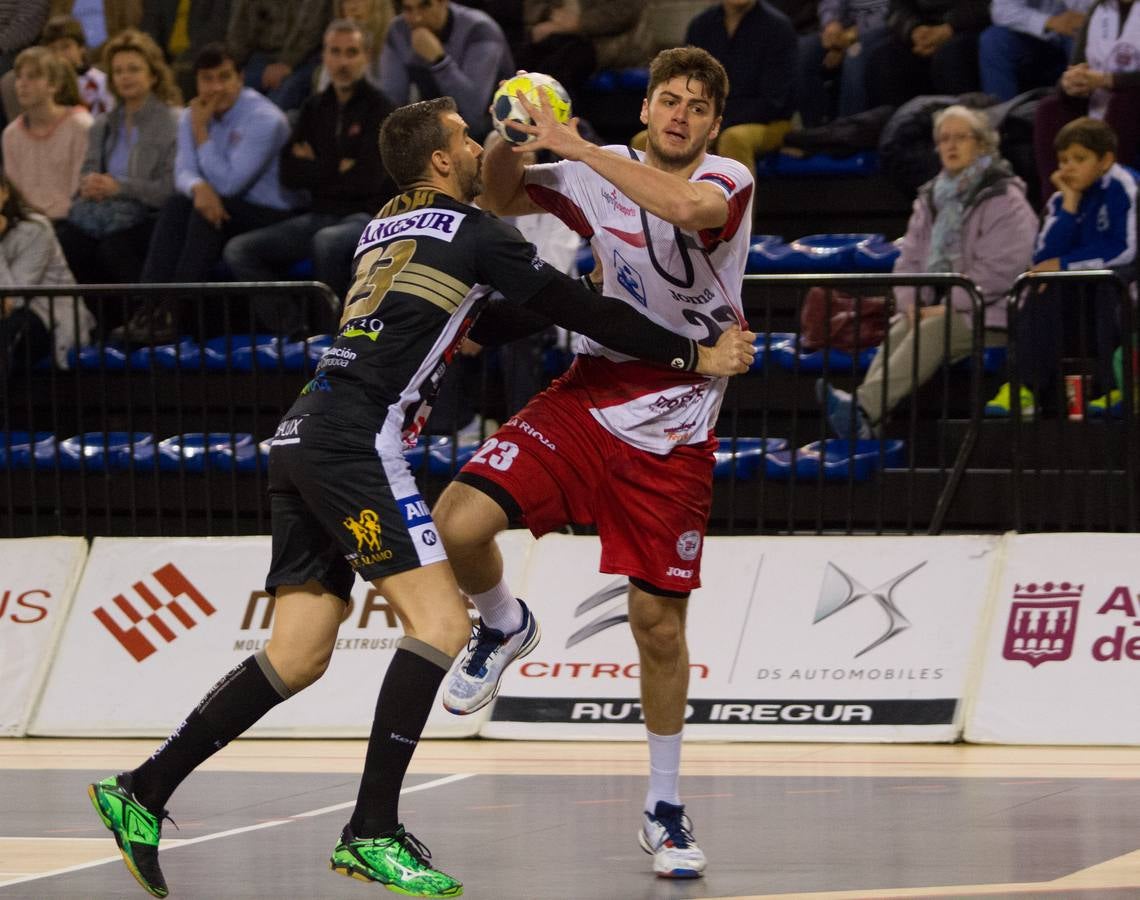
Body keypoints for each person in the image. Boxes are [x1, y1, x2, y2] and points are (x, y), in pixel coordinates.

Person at [87, 95, 755, 900]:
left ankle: (142, 790)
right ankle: (371, 829)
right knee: (439, 623)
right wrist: (694, 353)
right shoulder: (473, 234)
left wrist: (493, 321)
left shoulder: (383, 230)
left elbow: (490, 316)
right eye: (467, 139)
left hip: (300, 433)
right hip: (358, 442)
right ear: (441, 162)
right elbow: (572, 307)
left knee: (297, 652)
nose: (479, 147)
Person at [433, 46, 755, 880]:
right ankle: (504, 622)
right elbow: (498, 194)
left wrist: (574, 146)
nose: (681, 113)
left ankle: (663, 806)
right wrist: (512, 130)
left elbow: (687, 210)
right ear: (645, 108)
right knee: (458, 522)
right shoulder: (592, 175)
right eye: (668, 99)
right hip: (590, 393)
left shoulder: (728, 177)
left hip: (678, 420)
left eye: (696, 104)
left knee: (657, 625)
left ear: (712, 124)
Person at [816, 105, 1039, 439]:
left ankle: (863, 409)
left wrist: (946, 306)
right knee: (903, 324)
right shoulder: (932, 197)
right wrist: (910, 301)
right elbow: (910, 260)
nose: (950, 145)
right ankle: (866, 423)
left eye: (960, 138)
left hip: (990, 312)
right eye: (943, 139)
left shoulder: (1005, 198)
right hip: (942, 310)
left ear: (982, 144)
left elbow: (1001, 271)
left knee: (932, 328)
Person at [114, 42, 302, 344]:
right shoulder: (192, 113)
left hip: (270, 213)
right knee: (179, 204)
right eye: (207, 79)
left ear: (240, 78)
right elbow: (183, 172)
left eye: (224, 77)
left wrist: (201, 132)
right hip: (224, 205)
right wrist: (199, 187)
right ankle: (148, 309)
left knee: (202, 215)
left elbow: (230, 184)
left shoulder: (265, 119)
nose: (215, 88)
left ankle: (173, 315)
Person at [223, 19, 396, 337]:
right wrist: (337, 166)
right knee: (239, 250)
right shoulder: (315, 107)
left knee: (326, 242)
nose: (343, 62)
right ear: (325, 57)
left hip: (365, 218)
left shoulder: (381, 109)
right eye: (335, 52)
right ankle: (296, 330)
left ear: (365, 57)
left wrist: (316, 166)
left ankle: (332, 338)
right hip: (317, 214)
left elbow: (369, 181)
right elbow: (289, 173)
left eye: (351, 53)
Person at [987, 117, 1138, 418]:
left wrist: (1067, 264)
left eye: (1079, 159)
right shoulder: (1061, 199)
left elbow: (1127, 251)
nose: (1068, 168)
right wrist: (1069, 205)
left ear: (1106, 159)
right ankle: (1023, 389)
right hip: (1081, 298)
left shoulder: (1126, 186)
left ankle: (1116, 388)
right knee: (1042, 284)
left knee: (1107, 283)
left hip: (1125, 288)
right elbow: (1043, 258)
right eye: (1063, 160)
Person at [55, 29, 180, 294]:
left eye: (134, 69)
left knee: (115, 246)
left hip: (152, 215)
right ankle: (94, 326)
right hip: (107, 211)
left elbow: (168, 189)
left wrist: (119, 187)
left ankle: (151, 314)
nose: (125, 77)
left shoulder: (174, 122)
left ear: (153, 75)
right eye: (119, 71)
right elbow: (88, 169)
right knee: (67, 242)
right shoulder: (102, 124)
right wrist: (90, 184)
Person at [1032, 0, 1140, 202]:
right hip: (1096, 103)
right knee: (1049, 108)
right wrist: (1070, 83)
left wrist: (1109, 80)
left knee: (1125, 102)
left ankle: (1107, 200)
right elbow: (1077, 67)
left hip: (1130, 104)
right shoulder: (1098, 10)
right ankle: (1056, 205)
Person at [683, 0, 797, 180]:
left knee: (733, 138)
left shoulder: (778, 28)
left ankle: (735, 208)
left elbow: (775, 102)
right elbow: (687, 86)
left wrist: (713, 126)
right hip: (708, 119)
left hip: (769, 122)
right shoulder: (700, 25)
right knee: (647, 140)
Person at [0, 168, 95, 380]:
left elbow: (11, 299)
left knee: (8, 328)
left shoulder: (35, 230)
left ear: (5, 192)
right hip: (13, 317)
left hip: (48, 317)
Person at [380, 0, 514, 142]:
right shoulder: (398, 30)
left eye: (425, 6)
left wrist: (439, 61)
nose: (416, 18)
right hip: (434, 128)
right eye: (408, 9)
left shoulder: (480, 30)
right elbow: (392, 101)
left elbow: (473, 111)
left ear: (443, 2)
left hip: (492, 128)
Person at [1, 46, 91, 221]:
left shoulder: (80, 125)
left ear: (54, 85)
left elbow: (79, 189)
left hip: (71, 220)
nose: (22, 84)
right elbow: (14, 195)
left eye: (33, 77)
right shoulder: (11, 134)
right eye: (19, 77)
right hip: (29, 224)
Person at [865, 0, 991, 109]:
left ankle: (962, 127)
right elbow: (897, 9)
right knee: (885, 58)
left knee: (949, 57)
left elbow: (988, 5)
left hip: (968, 27)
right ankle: (902, 129)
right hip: (923, 32)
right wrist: (913, 30)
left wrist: (950, 27)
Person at [797, 0, 890, 127]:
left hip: (881, 31)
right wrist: (831, 23)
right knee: (803, 53)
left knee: (854, 56)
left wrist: (850, 37)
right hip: (842, 30)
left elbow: (894, 11)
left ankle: (847, 133)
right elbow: (830, 4)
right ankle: (815, 129)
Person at [225, 0, 330, 111]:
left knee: (279, 98)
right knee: (227, 90)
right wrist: (231, 66)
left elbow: (310, 32)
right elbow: (241, 30)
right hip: (262, 55)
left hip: (304, 58)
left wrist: (286, 63)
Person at [979, 1, 1090, 102]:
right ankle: (1002, 116)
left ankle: (1083, 116)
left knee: (1079, 34)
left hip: (1080, 33)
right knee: (994, 40)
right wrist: (1051, 22)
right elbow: (1001, 10)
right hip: (1036, 38)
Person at [141, 0, 232, 102]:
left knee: (183, 76)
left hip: (199, 58)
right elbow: (149, 32)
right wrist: (158, 63)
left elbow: (215, 30)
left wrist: (182, 61)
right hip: (166, 60)